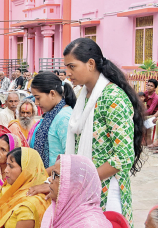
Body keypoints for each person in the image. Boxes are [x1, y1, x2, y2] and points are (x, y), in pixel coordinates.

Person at [63, 38, 144, 227]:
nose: (68, 73)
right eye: (66, 66)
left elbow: (123, 157)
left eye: (72, 66)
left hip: (107, 190)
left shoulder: (113, 98)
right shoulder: (84, 95)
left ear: (90, 64)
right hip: (85, 188)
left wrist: (86, 182)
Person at [40, 155, 112, 228]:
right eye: (52, 174)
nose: (49, 179)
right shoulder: (59, 210)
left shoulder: (90, 225)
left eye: (56, 175)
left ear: (76, 186)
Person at [29, 72, 75, 169]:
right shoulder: (52, 114)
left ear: (52, 93)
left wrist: (42, 175)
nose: (36, 103)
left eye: (38, 98)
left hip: (56, 178)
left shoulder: (63, 118)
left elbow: (69, 159)